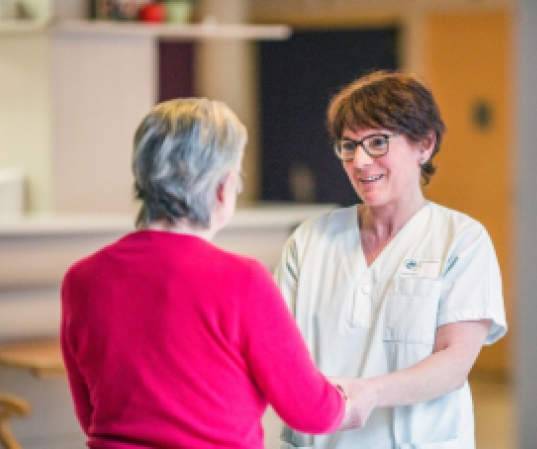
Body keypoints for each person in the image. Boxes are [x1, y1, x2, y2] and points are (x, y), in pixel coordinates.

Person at [60, 98, 345, 448]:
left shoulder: (82, 279)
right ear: (224, 187)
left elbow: (92, 417)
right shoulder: (244, 280)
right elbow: (313, 412)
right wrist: (367, 395)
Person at [274, 71, 507, 448]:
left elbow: (454, 362)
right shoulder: (309, 240)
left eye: (378, 142)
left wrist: (371, 393)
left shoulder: (461, 240)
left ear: (425, 145)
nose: (361, 161)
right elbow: (278, 350)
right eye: (348, 146)